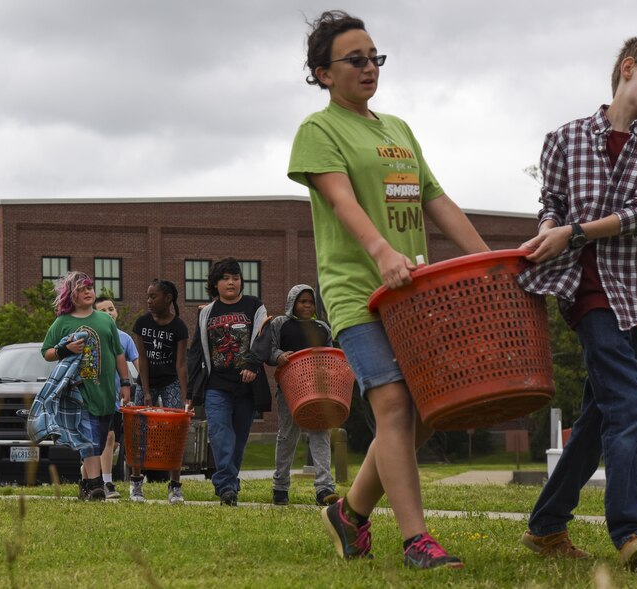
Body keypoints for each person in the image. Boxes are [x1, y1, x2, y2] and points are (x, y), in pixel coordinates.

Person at [287, 10, 490, 570]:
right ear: (324, 74)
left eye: (375, 57)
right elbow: (341, 200)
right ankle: (416, 540)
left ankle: (349, 513)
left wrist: (488, 261)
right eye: (355, 59)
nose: (369, 67)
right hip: (359, 294)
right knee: (395, 405)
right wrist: (381, 252)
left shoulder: (398, 129)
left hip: (414, 294)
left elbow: (436, 199)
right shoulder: (318, 130)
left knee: (428, 409)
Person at [516, 37, 637, 571]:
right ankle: (630, 527)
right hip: (586, 289)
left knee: (600, 413)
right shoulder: (563, 138)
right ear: (628, 66)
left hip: (634, 290)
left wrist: (570, 231)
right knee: (629, 404)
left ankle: (546, 526)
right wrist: (551, 229)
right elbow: (551, 203)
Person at [41, 271, 131, 501]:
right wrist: (65, 350)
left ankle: (85, 484)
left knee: (99, 442)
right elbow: (47, 352)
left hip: (105, 393)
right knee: (89, 439)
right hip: (77, 391)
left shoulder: (104, 321)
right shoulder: (63, 322)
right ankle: (95, 486)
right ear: (72, 295)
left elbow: (119, 354)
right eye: (81, 289)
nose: (88, 292)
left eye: (89, 287)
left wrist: (125, 383)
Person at [188, 258, 270, 507]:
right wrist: (192, 391)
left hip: (246, 385)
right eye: (225, 278)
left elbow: (264, 337)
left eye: (235, 277)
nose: (231, 282)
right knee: (221, 432)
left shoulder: (254, 306)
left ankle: (228, 482)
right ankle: (226, 486)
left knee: (239, 437)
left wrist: (252, 365)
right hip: (216, 385)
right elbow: (196, 353)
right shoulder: (207, 313)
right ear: (216, 283)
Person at [267, 284, 339, 507]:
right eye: (302, 302)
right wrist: (279, 355)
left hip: (317, 390)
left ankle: (324, 488)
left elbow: (331, 355)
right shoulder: (280, 324)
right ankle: (280, 487)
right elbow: (268, 350)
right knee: (287, 435)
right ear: (292, 303)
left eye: (310, 302)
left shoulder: (322, 328)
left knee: (320, 434)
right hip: (289, 390)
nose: (307, 306)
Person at [131, 279, 189, 504]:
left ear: (168, 299)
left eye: (153, 296)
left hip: (171, 381)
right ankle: (136, 483)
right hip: (146, 381)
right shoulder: (142, 323)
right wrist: (145, 391)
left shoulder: (179, 327)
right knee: (138, 431)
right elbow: (142, 360)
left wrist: (185, 397)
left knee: (175, 431)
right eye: (148, 296)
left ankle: (175, 486)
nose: (149, 300)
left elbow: (181, 364)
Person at [93, 296, 139, 500]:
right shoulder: (91, 336)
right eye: (102, 311)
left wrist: (146, 385)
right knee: (105, 438)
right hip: (95, 396)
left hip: (117, 398)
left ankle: (98, 478)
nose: (108, 313)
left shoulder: (124, 338)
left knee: (112, 440)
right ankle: (104, 483)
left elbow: (137, 363)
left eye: (111, 309)